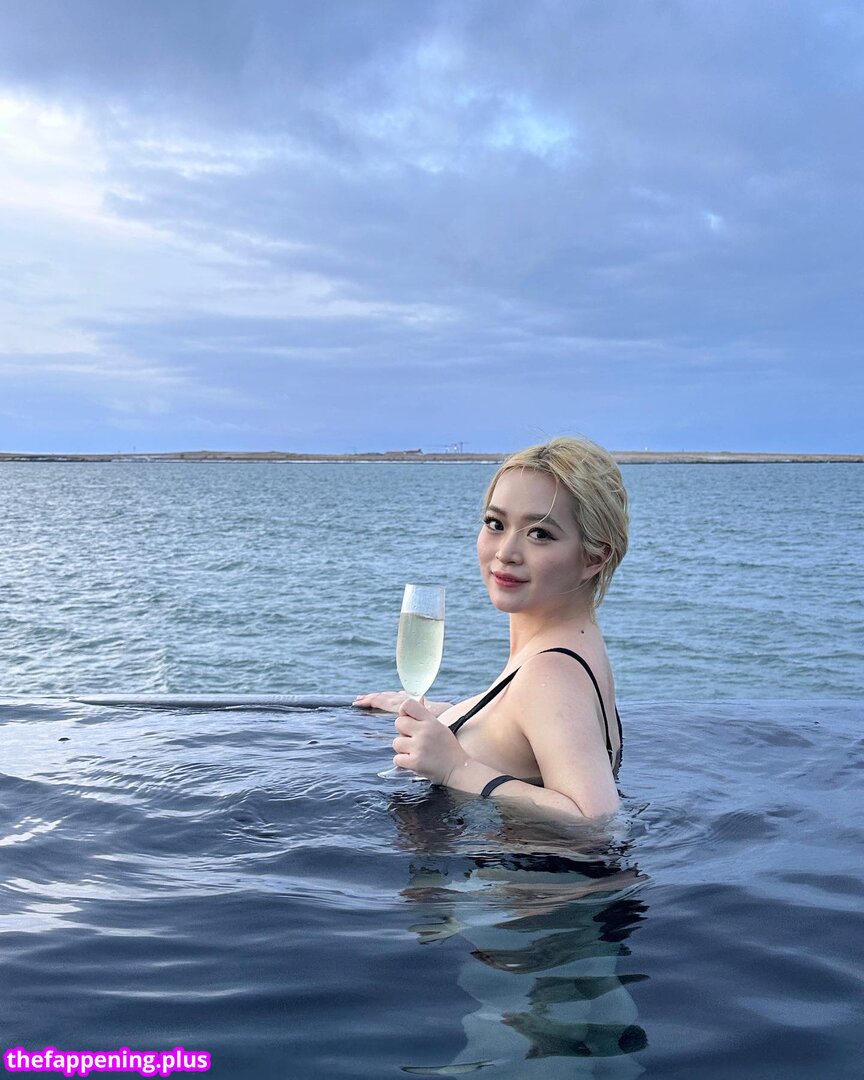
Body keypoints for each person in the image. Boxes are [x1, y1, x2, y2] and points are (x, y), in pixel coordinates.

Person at [354, 436, 629, 820]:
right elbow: (526, 731)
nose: (505, 552)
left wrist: (456, 768)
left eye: (540, 533)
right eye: (495, 523)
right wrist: (446, 713)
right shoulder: (573, 647)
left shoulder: (550, 673)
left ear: (593, 558)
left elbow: (595, 818)